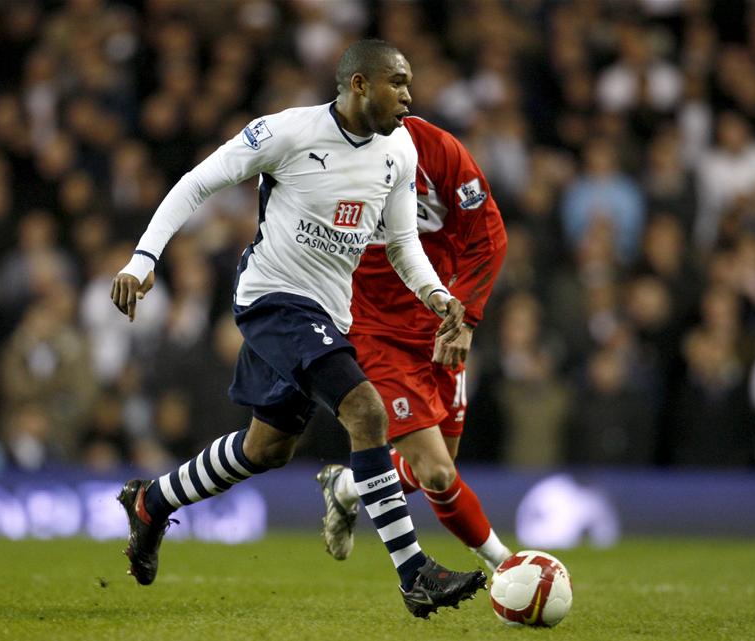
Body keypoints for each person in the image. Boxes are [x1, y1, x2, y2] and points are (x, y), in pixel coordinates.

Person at [110, 39, 486, 619]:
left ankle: (151, 503)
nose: (410, 96)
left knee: (267, 449)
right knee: (366, 412)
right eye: (398, 82)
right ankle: (415, 574)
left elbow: (404, 243)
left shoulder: (401, 152)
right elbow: (197, 182)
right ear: (359, 84)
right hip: (272, 297)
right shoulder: (286, 132)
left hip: (330, 312)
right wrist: (144, 258)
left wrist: (437, 294)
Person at [316, 116, 512, 572]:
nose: (402, 99)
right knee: (438, 473)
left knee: (441, 462)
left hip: (442, 326)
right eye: (394, 86)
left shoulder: (439, 150)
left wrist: (466, 319)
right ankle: (508, 565)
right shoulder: (323, 155)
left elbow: (490, 236)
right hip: (376, 334)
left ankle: (347, 486)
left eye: (406, 86)